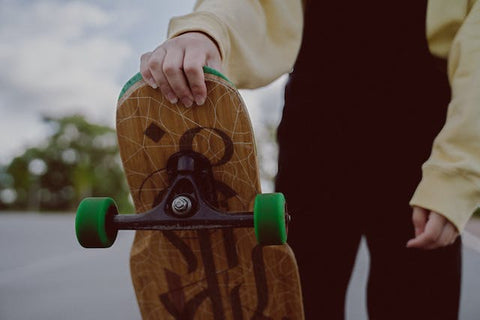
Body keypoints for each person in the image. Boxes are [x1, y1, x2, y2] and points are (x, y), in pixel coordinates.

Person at [139, 1, 480, 319]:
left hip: (421, 146)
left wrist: (456, 175)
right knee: (305, 301)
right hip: (317, 138)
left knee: (416, 301)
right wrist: (207, 31)